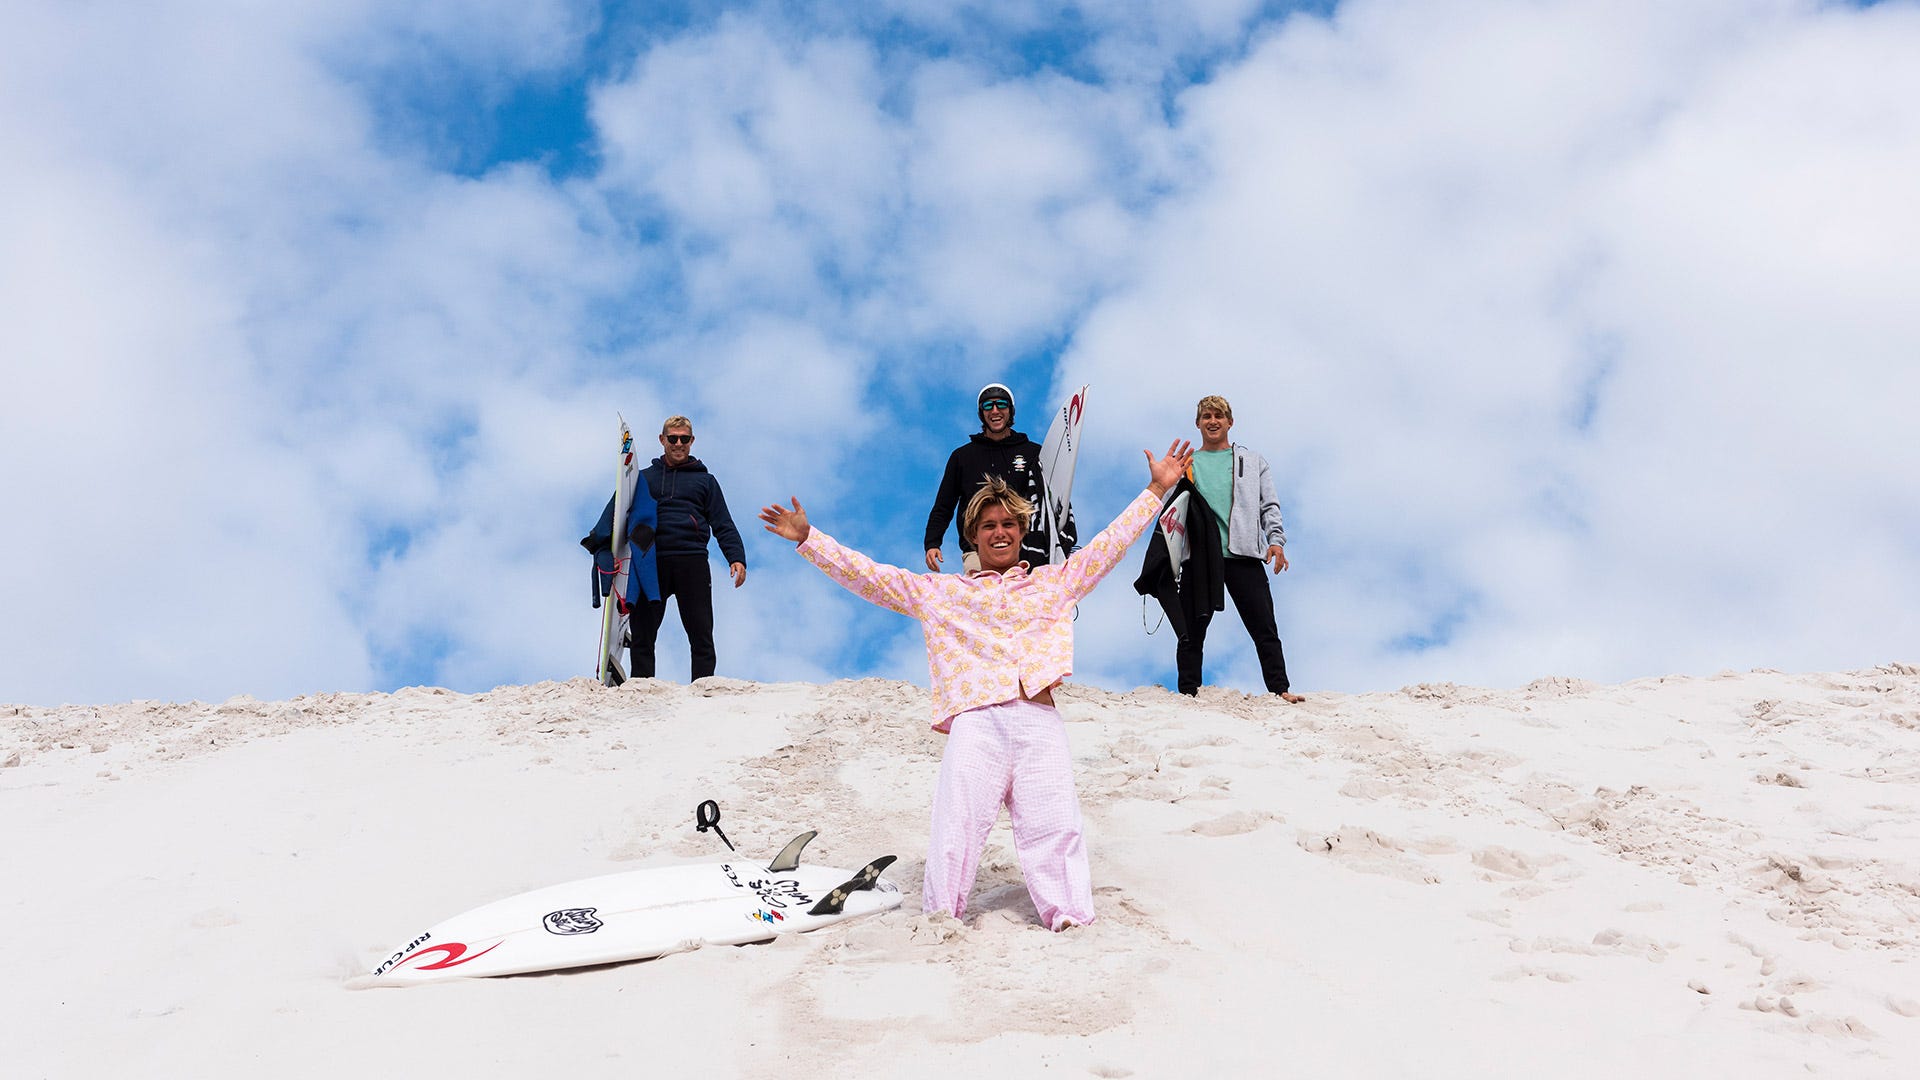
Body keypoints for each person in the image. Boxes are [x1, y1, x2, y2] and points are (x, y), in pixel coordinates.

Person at [760, 440, 1194, 930]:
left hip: (1038, 719)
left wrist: (1158, 488)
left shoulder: (1054, 583)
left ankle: (1070, 916)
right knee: (956, 826)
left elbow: (1108, 547)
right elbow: (872, 579)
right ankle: (943, 916)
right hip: (977, 721)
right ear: (974, 537)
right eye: (989, 526)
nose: (1000, 532)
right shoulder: (944, 593)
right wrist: (809, 539)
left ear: (1021, 530)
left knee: (1055, 826)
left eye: (1009, 524)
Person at [1174, 395, 1303, 702]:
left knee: (1264, 626)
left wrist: (1276, 541)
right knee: (1191, 631)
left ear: (1230, 422)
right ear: (1198, 423)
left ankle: (1280, 689)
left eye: (1219, 416)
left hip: (1243, 554)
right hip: (1199, 558)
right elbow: (1173, 512)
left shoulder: (1253, 461)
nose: (1213, 421)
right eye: (1206, 416)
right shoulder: (1187, 464)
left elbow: (1268, 505)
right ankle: (1187, 694)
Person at [632, 415, 747, 681]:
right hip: (652, 561)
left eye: (684, 439)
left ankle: (704, 687)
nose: (679, 444)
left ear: (692, 441)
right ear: (662, 440)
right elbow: (619, 514)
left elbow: (723, 523)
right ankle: (640, 686)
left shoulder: (705, 482)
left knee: (701, 632)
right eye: (673, 438)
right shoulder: (642, 479)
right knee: (643, 632)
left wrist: (736, 557)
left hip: (691, 560)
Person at [924, 383, 1076, 574]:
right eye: (988, 406)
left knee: (1026, 603)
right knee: (985, 602)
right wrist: (932, 542)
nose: (995, 411)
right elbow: (943, 505)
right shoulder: (962, 457)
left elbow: (1052, 500)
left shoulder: (1033, 453)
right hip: (977, 551)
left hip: (1026, 550)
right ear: (982, 413)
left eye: (1001, 405)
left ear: (1010, 410)